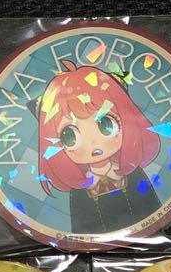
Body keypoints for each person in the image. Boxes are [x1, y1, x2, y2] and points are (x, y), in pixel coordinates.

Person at [34, 61, 162, 235]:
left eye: (105, 124)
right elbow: (82, 232)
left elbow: (153, 210)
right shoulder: (80, 191)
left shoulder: (134, 174)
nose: (94, 144)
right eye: (70, 136)